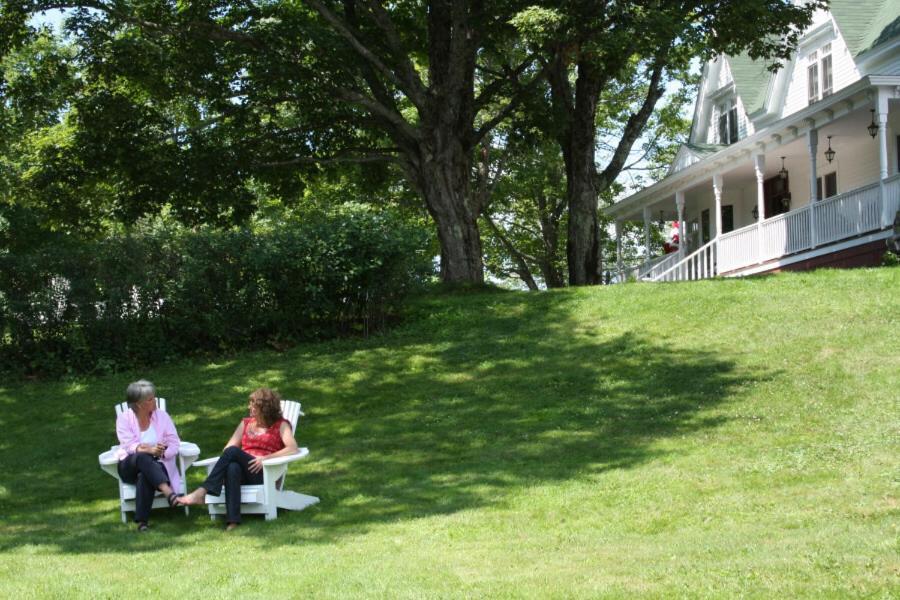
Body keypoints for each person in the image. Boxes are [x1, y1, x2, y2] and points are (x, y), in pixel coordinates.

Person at [178, 388, 298, 530]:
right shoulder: (246, 423)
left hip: (265, 472)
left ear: (265, 407)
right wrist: (241, 459)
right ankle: (232, 521)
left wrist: (264, 459)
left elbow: (292, 448)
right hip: (244, 471)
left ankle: (202, 491)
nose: (249, 407)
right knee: (232, 467)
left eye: (253, 404)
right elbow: (227, 449)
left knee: (234, 453)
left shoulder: (281, 425)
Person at [115, 379, 182, 532]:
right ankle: (168, 492)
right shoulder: (124, 418)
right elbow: (128, 445)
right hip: (129, 465)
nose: (155, 401)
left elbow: (174, 441)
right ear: (139, 404)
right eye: (151, 399)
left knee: (145, 476)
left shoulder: (162, 416)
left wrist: (163, 452)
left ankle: (142, 522)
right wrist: (148, 450)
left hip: (157, 465)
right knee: (142, 456)